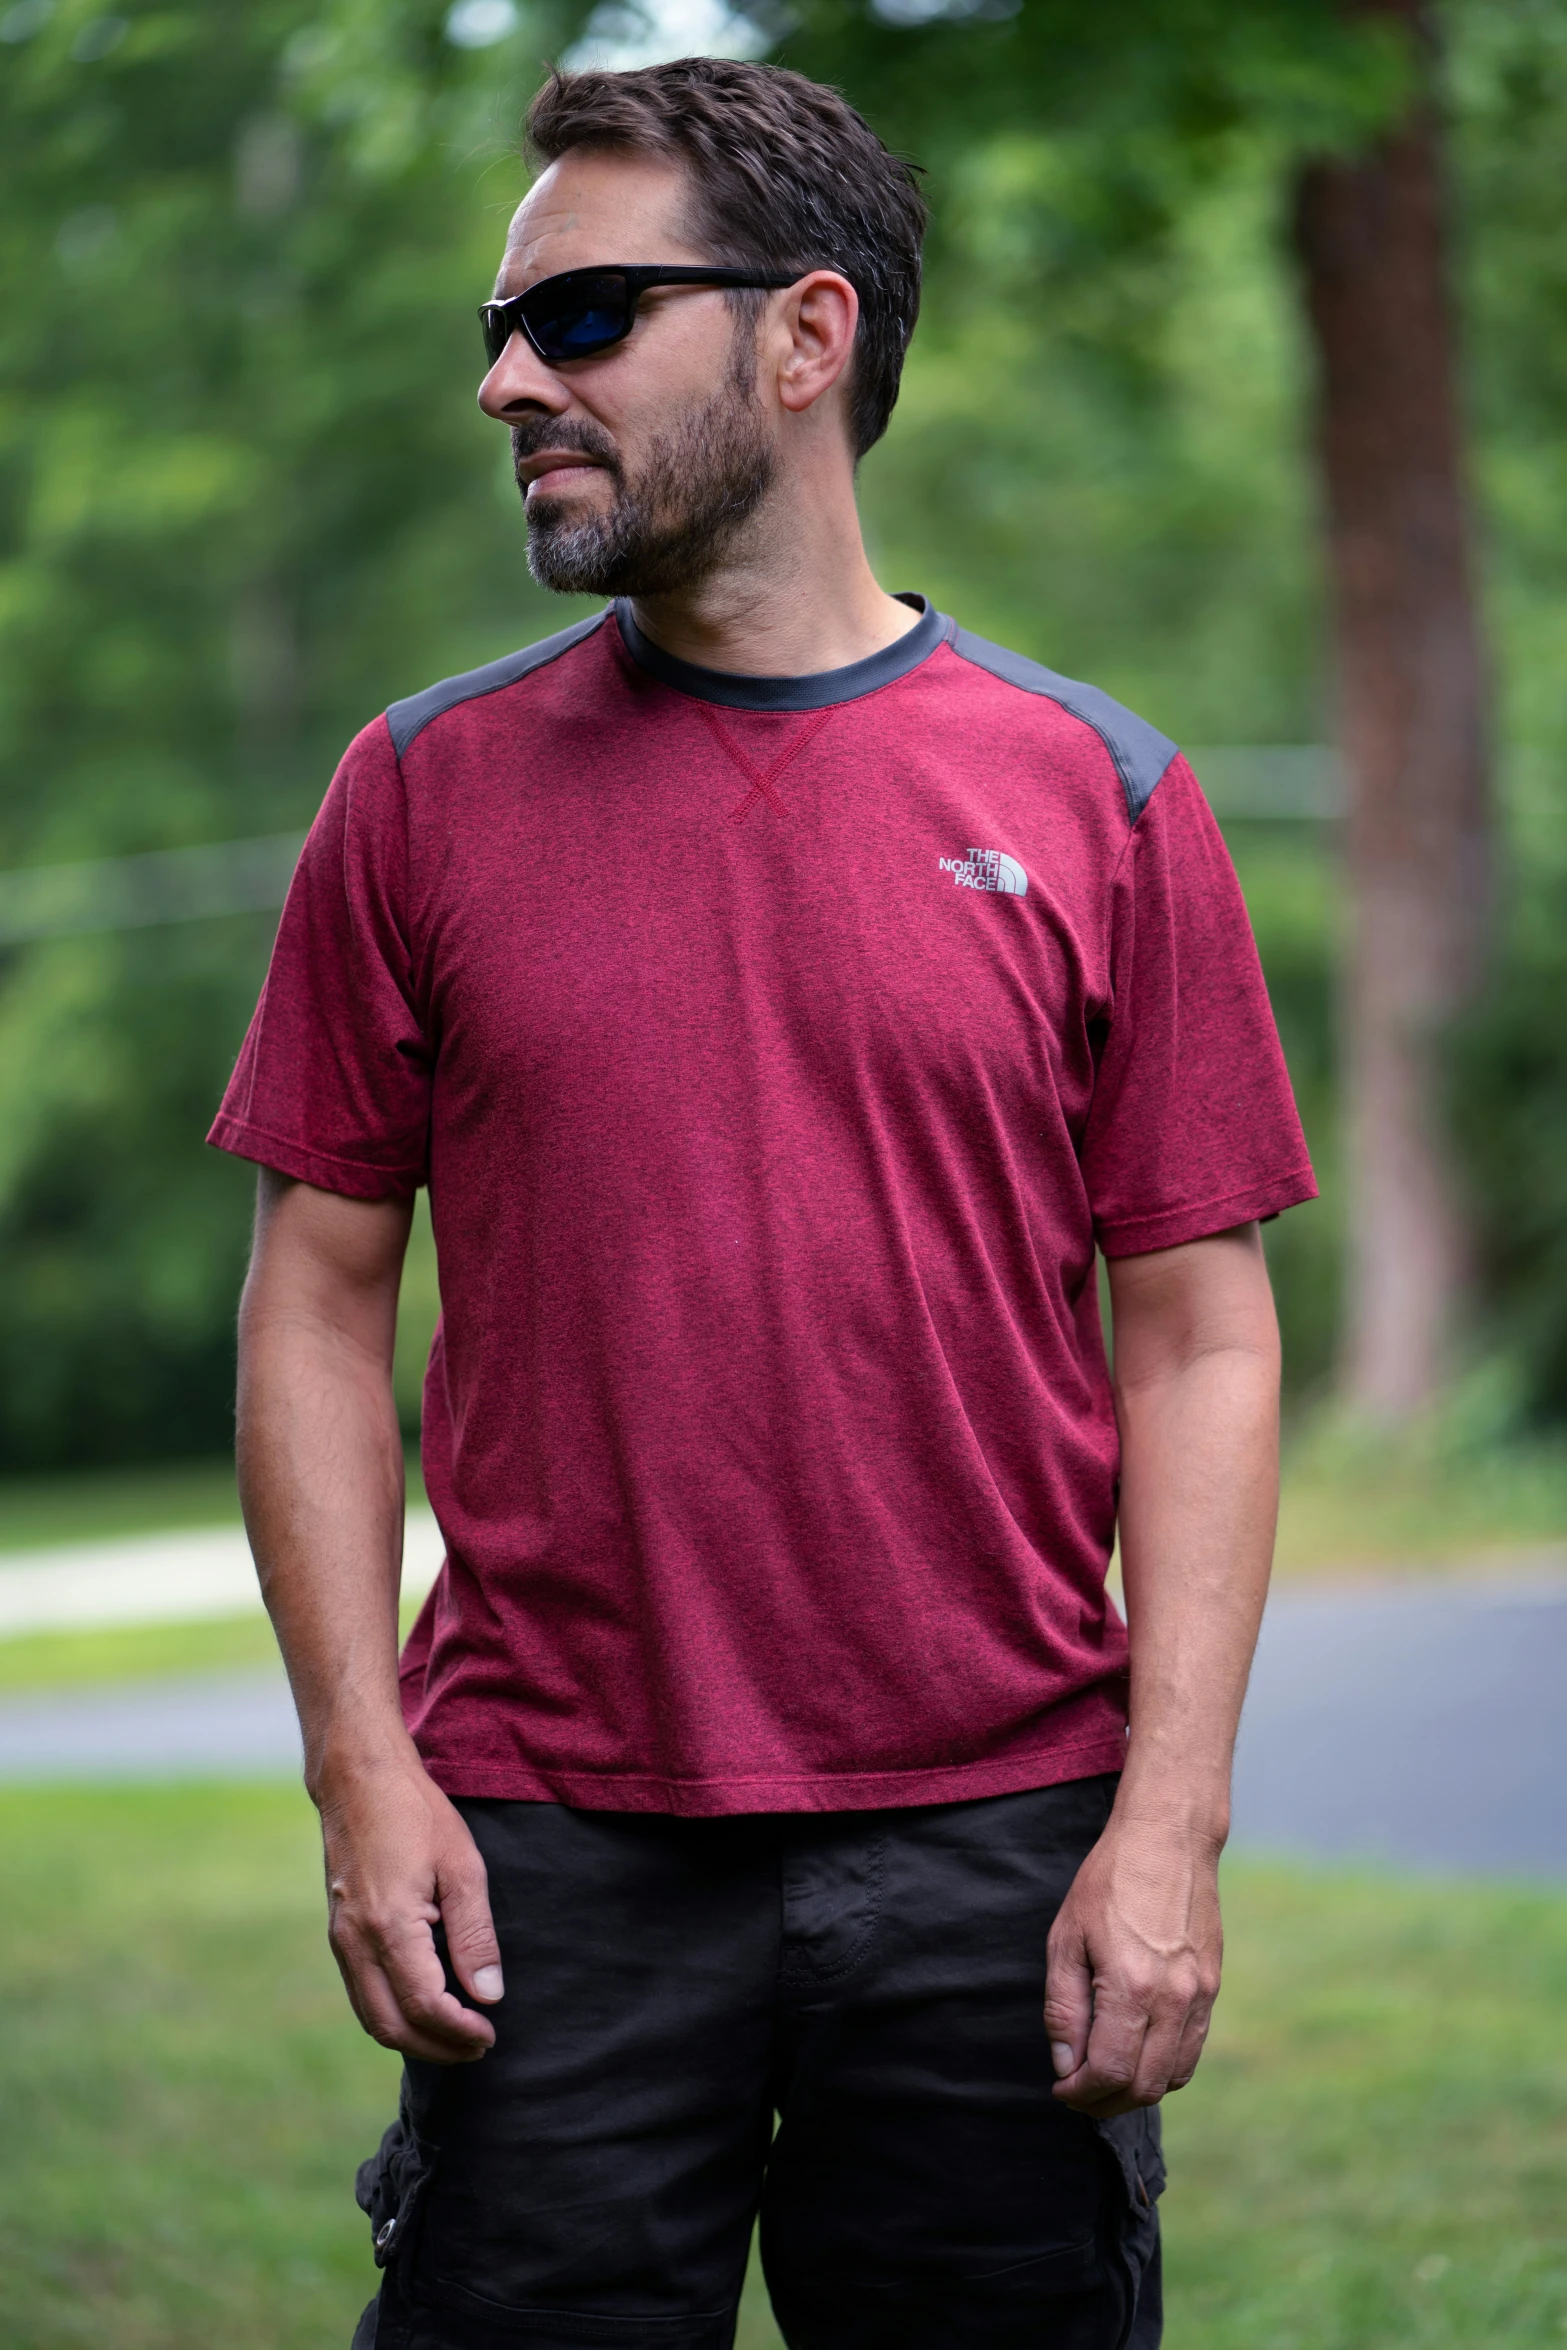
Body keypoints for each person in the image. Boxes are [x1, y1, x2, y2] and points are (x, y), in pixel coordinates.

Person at [213, 56, 1315, 2350]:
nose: (515, 378)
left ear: (806, 338)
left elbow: (1201, 1328)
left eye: (590, 313)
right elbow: (318, 1299)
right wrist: (361, 1761)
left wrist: (1169, 1817)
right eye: (502, 328)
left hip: (1003, 1841)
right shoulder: (411, 793)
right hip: (548, 1850)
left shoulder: (1102, 791)